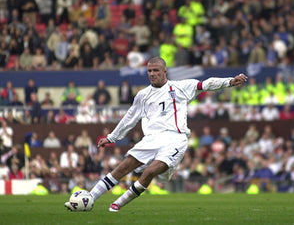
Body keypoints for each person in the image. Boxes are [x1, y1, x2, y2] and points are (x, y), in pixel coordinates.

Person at [65, 57, 247, 212]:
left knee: (150, 171)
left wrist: (230, 81)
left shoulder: (182, 87)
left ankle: (117, 204)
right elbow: (130, 117)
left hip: (176, 138)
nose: (152, 74)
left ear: (164, 71)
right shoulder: (142, 95)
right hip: (151, 139)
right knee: (122, 167)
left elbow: (206, 84)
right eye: (150, 71)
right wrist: (112, 137)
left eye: (156, 70)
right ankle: (90, 198)